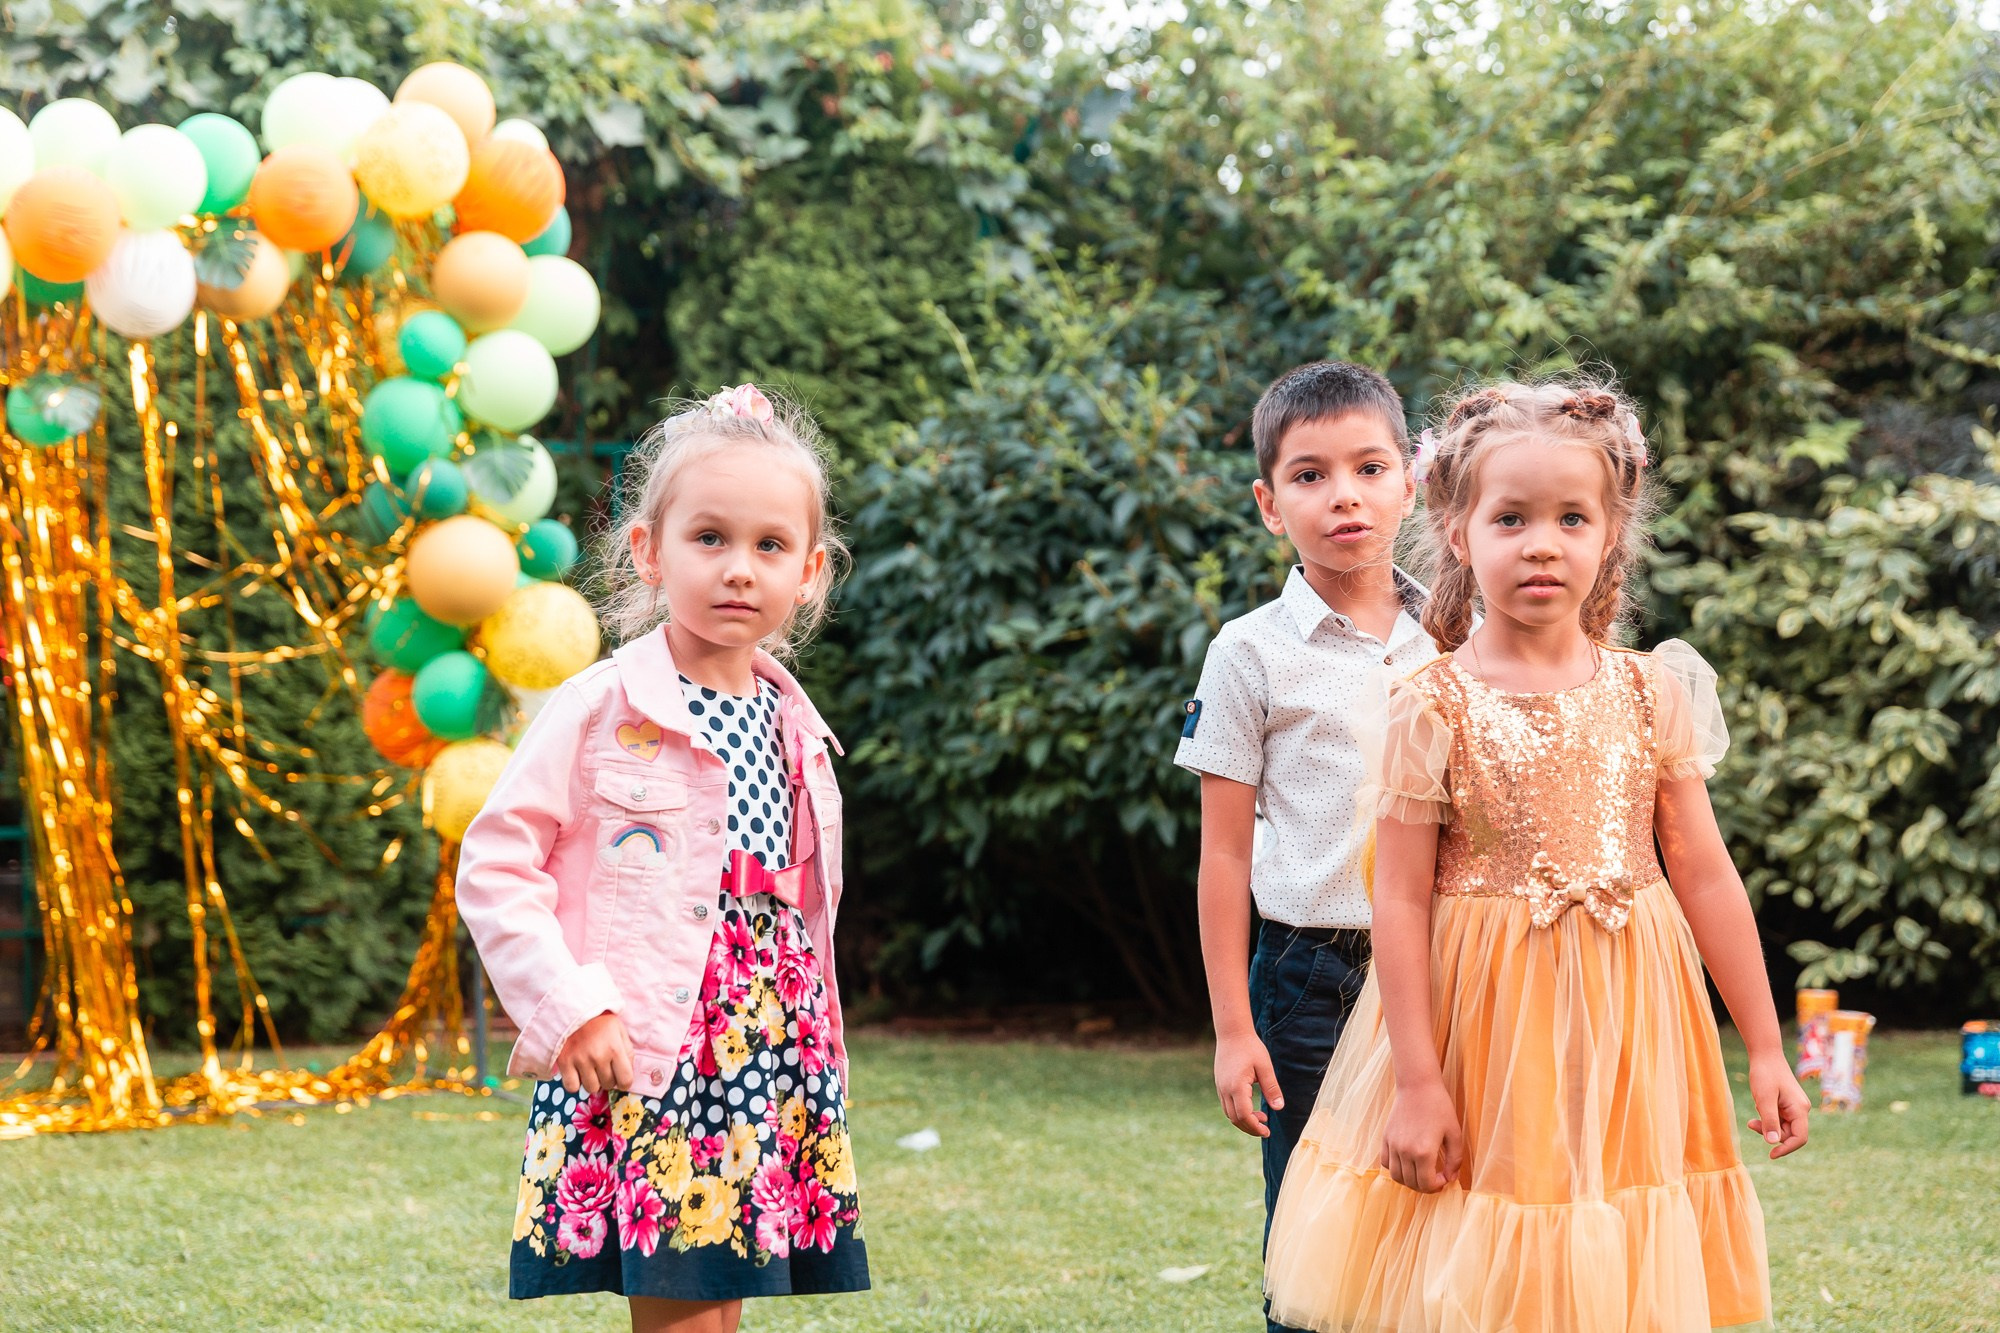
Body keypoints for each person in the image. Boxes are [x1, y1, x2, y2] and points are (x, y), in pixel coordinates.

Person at [1264, 375, 1810, 1332]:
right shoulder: (1430, 704)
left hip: (1635, 1021)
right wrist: (1421, 1083)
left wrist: (1765, 1045)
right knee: (1495, 1237)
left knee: (1613, 1230)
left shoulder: (1653, 693)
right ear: (1460, 534)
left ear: (1611, 535)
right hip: (1484, 1024)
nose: (1542, 543)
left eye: (1571, 517)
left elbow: (1707, 874)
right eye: (1511, 518)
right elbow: (1396, 902)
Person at [457, 384, 869, 1333]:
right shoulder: (602, 705)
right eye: (710, 538)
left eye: (769, 547)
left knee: (721, 1289)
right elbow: (495, 862)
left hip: (764, 1036)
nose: (739, 569)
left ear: (808, 572)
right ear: (648, 550)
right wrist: (572, 1006)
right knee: (680, 1292)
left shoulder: (794, 722)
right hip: (656, 1030)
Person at [1174, 361, 1437, 1333]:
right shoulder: (1248, 652)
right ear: (1267, 501)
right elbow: (1221, 858)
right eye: (1309, 474)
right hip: (1310, 975)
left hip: (1452, 971)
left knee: (1439, 1227)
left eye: (1368, 468)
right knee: (1315, 1241)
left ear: (1408, 480)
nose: (1344, 496)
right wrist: (1232, 1026)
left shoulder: (1458, 634)